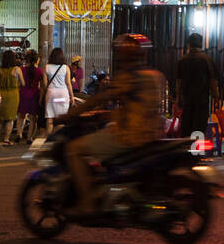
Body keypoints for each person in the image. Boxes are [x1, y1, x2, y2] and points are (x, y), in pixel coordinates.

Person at [56, 34, 165, 217]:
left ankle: (88, 203)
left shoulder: (130, 77)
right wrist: (104, 115)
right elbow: (138, 107)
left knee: (74, 149)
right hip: (151, 134)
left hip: (128, 136)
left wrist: (70, 114)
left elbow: (100, 98)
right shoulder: (154, 76)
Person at [176, 33, 219, 140]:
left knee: (186, 125)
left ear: (189, 44)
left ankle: (186, 151)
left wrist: (178, 97)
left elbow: (178, 81)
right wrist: (216, 95)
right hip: (202, 99)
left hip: (187, 99)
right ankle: (196, 153)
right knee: (199, 126)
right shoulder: (207, 59)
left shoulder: (182, 60)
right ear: (201, 44)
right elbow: (212, 80)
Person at [43, 47, 74, 134]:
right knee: (62, 118)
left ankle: (49, 138)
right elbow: (68, 83)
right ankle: (58, 138)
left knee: (50, 117)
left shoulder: (46, 67)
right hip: (63, 95)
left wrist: (48, 91)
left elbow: (45, 84)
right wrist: (72, 96)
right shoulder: (66, 67)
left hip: (51, 94)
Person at [16, 49, 43, 141]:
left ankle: (19, 134)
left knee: (21, 116)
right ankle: (29, 137)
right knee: (33, 118)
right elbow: (42, 85)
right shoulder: (39, 71)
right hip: (34, 95)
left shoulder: (22, 70)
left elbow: (19, 83)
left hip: (23, 94)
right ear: (36, 60)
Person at [0, 50, 22, 145]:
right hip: (14, 95)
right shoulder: (17, 69)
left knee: (0, 118)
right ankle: (6, 139)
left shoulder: (0, 70)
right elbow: (23, 83)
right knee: (10, 119)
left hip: (2, 95)